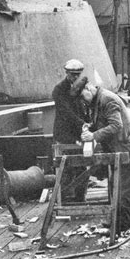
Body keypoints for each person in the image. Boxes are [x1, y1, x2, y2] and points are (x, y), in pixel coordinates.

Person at [78, 81, 130, 233]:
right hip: (117, 149)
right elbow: (102, 122)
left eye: (83, 97)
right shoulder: (97, 100)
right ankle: (117, 220)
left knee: (124, 188)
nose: (83, 101)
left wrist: (93, 135)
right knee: (115, 184)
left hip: (126, 148)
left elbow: (116, 125)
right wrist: (89, 127)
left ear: (88, 88)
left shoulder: (107, 99)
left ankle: (124, 224)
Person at [52, 59, 89, 202]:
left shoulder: (80, 87)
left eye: (77, 74)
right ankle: (65, 199)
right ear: (66, 73)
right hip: (65, 134)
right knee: (65, 167)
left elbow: (82, 107)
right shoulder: (59, 90)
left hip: (78, 133)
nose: (75, 77)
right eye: (72, 74)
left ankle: (80, 197)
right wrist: (84, 124)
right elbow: (66, 113)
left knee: (82, 165)